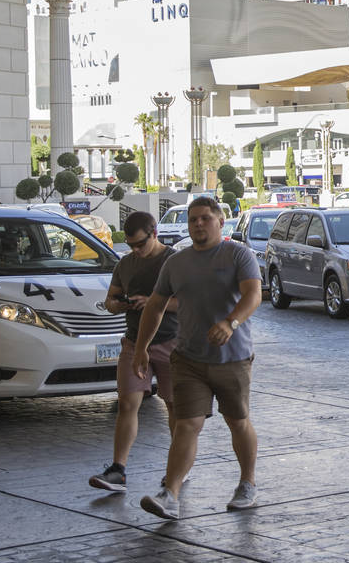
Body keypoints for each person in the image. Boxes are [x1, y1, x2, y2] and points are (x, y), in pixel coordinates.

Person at [134, 197, 261, 520]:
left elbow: (253, 294)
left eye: (205, 218)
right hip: (188, 358)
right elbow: (155, 306)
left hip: (233, 358)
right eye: (193, 220)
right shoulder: (177, 263)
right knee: (187, 425)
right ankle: (170, 494)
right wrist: (141, 347)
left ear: (220, 221)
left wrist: (230, 322)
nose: (198, 225)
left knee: (237, 421)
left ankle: (247, 483)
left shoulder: (238, 254)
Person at [89, 211, 178, 493]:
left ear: (154, 234)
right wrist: (119, 305)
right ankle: (118, 469)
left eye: (140, 244)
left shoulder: (173, 261)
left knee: (174, 407)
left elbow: (189, 301)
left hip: (172, 341)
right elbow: (110, 299)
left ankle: (177, 467)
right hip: (133, 340)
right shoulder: (126, 264)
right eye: (130, 246)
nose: (136, 251)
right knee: (127, 403)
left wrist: (154, 302)